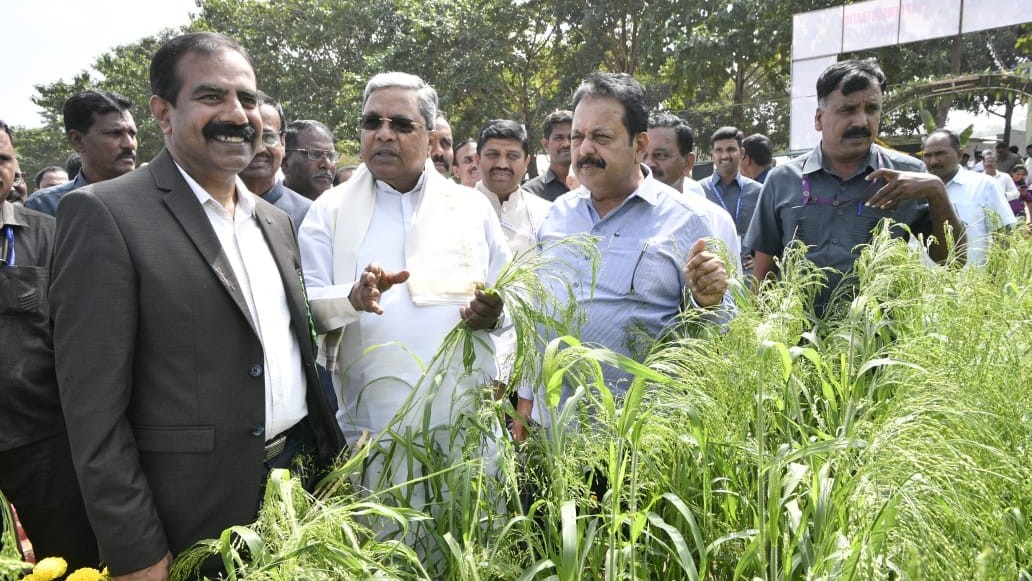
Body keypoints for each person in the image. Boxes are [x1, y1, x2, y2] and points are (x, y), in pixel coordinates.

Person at [50, 32, 344, 579]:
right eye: (212, 97)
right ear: (163, 113)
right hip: (190, 515)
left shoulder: (275, 221)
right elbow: (92, 413)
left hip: (296, 490)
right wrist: (135, 551)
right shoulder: (104, 215)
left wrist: (322, 466)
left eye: (249, 99)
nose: (237, 114)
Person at [298, 71, 509, 446]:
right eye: (371, 122)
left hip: (466, 431)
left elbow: (516, 298)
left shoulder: (472, 207)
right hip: (371, 432)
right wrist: (352, 299)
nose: (383, 133)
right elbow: (305, 311)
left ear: (430, 138)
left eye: (400, 124)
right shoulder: (328, 212)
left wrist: (494, 313)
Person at [515, 72, 731, 429]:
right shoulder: (556, 216)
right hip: (551, 436)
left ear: (640, 144)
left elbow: (720, 334)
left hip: (638, 448)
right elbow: (538, 318)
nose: (585, 150)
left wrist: (709, 302)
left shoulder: (685, 221)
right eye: (577, 137)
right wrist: (526, 405)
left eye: (601, 137)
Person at [746, 59, 965, 315]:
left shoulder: (908, 175)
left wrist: (936, 190)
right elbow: (763, 275)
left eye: (872, 109)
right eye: (848, 110)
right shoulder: (782, 179)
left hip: (879, 343)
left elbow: (954, 260)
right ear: (819, 118)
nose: (862, 121)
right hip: (796, 344)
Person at [0, 120, 99, 568]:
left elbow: (82, 339)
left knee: (67, 562)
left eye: (3, 158)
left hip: (44, 448)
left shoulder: (47, 234)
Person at [644, 112, 741, 274]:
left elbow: (731, 292)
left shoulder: (716, 220)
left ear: (688, 163)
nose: (648, 164)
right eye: (643, 155)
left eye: (660, 155)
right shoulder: (619, 214)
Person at [24, 90, 137, 216]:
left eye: (132, 134)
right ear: (77, 140)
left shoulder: (152, 197)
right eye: (115, 133)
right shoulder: (45, 206)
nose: (130, 144)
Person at [923, 129, 1014, 266]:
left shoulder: (985, 185)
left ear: (959, 153)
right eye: (927, 156)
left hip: (970, 282)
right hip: (924, 282)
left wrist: (996, 279)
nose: (933, 161)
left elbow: (1003, 236)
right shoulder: (916, 188)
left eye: (940, 154)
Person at [239, 91, 312, 227]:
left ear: (283, 142)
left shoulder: (310, 215)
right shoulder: (210, 209)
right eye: (247, 136)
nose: (259, 148)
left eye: (268, 137)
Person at [705, 126, 761, 276]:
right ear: (712, 155)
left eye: (731, 149)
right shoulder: (698, 191)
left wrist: (760, 261)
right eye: (719, 150)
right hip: (711, 275)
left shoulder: (758, 191)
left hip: (748, 276)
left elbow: (770, 232)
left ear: (742, 153)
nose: (725, 155)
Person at [523, 110, 572, 201]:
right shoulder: (530, 193)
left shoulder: (593, 187)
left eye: (572, 137)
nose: (566, 144)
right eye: (559, 138)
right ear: (545, 144)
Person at [283, 119, 337, 200]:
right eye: (314, 154)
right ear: (285, 162)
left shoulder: (343, 208)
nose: (326, 164)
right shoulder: (263, 208)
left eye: (331, 155)